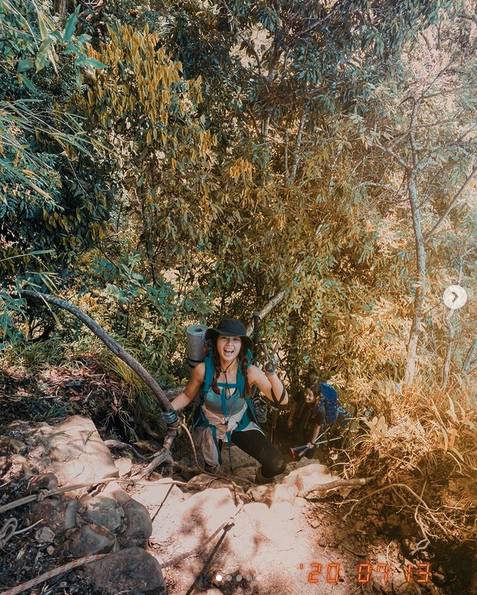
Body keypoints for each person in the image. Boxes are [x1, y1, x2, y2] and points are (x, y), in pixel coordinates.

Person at [162, 318, 288, 483]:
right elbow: (187, 395)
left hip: (239, 423)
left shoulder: (250, 372)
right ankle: (212, 469)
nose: (229, 344)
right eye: (224, 338)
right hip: (210, 424)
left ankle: (259, 481)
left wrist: (271, 374)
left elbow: (282, 400)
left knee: (276, 463)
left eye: (235, 339)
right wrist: (169, 410)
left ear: (241, 345)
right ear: (216, 342)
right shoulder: (203, 370)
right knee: (211, 471)